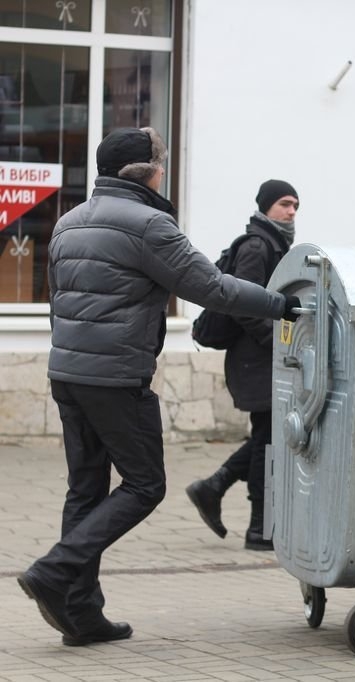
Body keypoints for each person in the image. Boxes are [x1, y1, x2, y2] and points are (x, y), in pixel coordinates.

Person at [17, 127, 301, 646]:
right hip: (117, 377)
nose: (164, 173)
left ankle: (80, 613)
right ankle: (55, 571)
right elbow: (212, 288)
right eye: (161, 165)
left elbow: (58, 302)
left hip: (68, 373)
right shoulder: (149, 224)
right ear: (149, 173)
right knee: (145, 485)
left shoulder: (68, 222)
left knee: (85, 489)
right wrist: (281, 305)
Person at [186, 180, 299, 551]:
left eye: (295, 205)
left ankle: (213, 487)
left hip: (266, 359)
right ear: (266, 207)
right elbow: (243, 303)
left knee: (270, 436)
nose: (291, 211)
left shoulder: (275, 244)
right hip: (256, 361)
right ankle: (259, 529)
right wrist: (277, 342)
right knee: (269, 442)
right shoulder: (256, 246)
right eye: (284, 204)